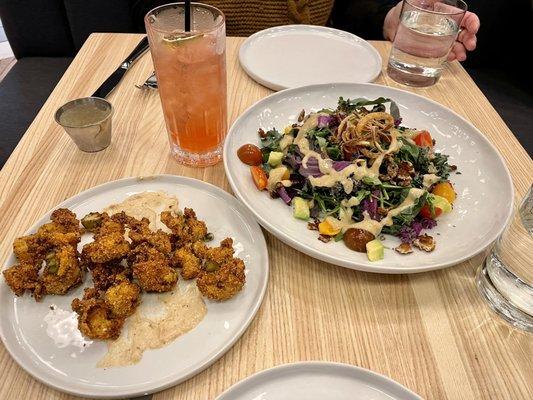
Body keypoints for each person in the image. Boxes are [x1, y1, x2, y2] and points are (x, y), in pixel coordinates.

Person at [131, 0, 479, 61]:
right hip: (208, 62)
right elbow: (158, 14)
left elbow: (347, 10)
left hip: (315, 68)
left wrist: (390, 19)